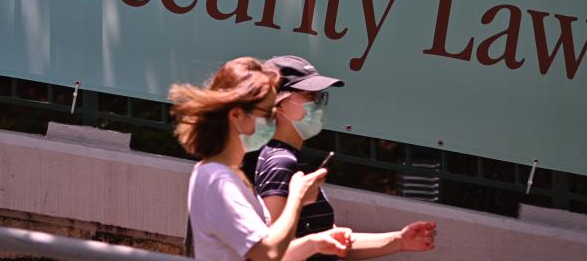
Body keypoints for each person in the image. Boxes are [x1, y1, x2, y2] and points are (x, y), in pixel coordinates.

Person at [252, 55, 438, 261]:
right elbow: (272, 253)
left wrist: (400, 240)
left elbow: (331, 241)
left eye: (320, 96)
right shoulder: (282, 162)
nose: (318, 103)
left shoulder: (289, 158)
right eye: (309, 96)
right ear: (278, 104)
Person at [170, 56, 354, 261]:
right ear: (237, 115)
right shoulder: (218, 179)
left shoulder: (229, 173)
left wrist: (315, 243)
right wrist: (297, 198)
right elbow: (267, 254)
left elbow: (264, 250)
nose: (273, 118)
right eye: (267, 112)